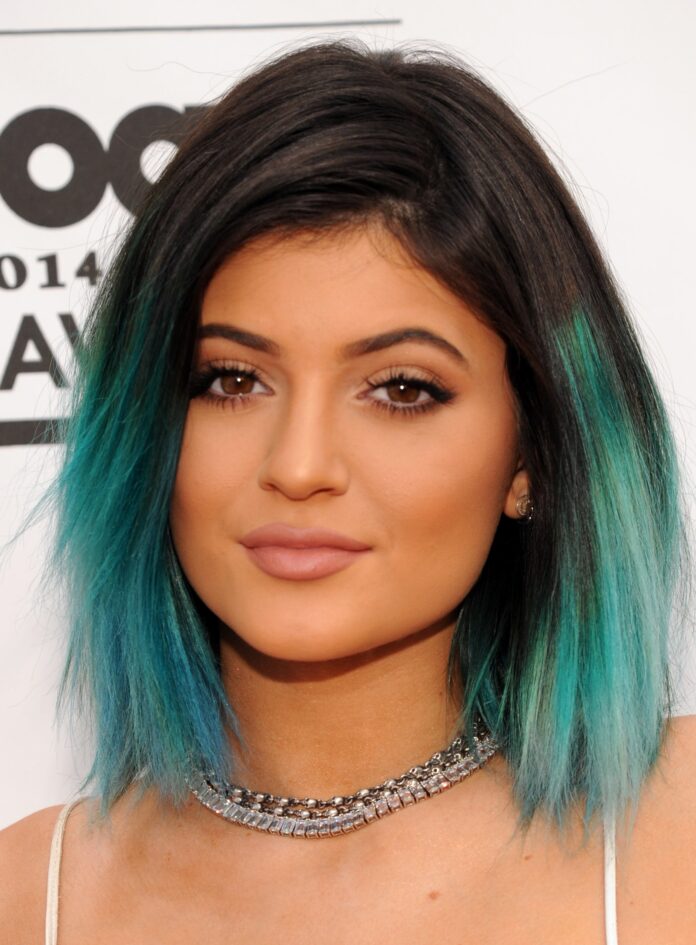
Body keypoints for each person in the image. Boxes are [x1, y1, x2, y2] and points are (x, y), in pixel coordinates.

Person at [1, 36, 694, 944]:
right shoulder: (29, 897)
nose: (299, 465)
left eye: (402, 389)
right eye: (232, 379)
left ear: (531, 454)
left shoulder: (674, 830)